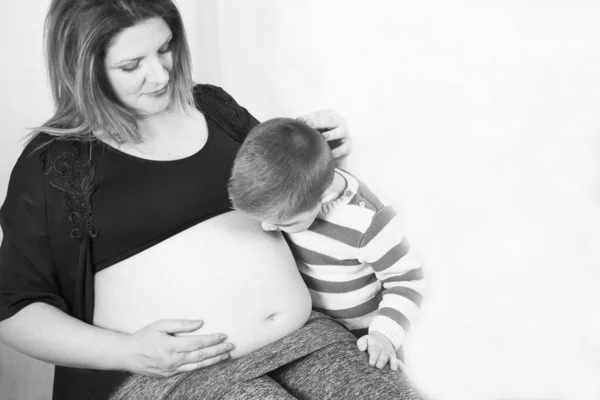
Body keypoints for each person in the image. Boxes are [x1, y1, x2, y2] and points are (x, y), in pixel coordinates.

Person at [0, 0, 427, 399]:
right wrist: (127, 352)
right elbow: (13, 308)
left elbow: (291, 183)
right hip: (181, 375)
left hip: (312, 337)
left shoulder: (214, 106)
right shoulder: (55, 163)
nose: (162, 74)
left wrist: (326, 144)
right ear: (84, 69)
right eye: (132, 65)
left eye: (165, 48)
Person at [228, 118, 425, 373]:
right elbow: (290, 149)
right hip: (313, 330)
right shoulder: (293, 188)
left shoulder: (370, 225)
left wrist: (384, 336)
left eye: (283, 223)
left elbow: (408, 280)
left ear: (326, 197)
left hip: (364, 338)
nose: (267, 228)